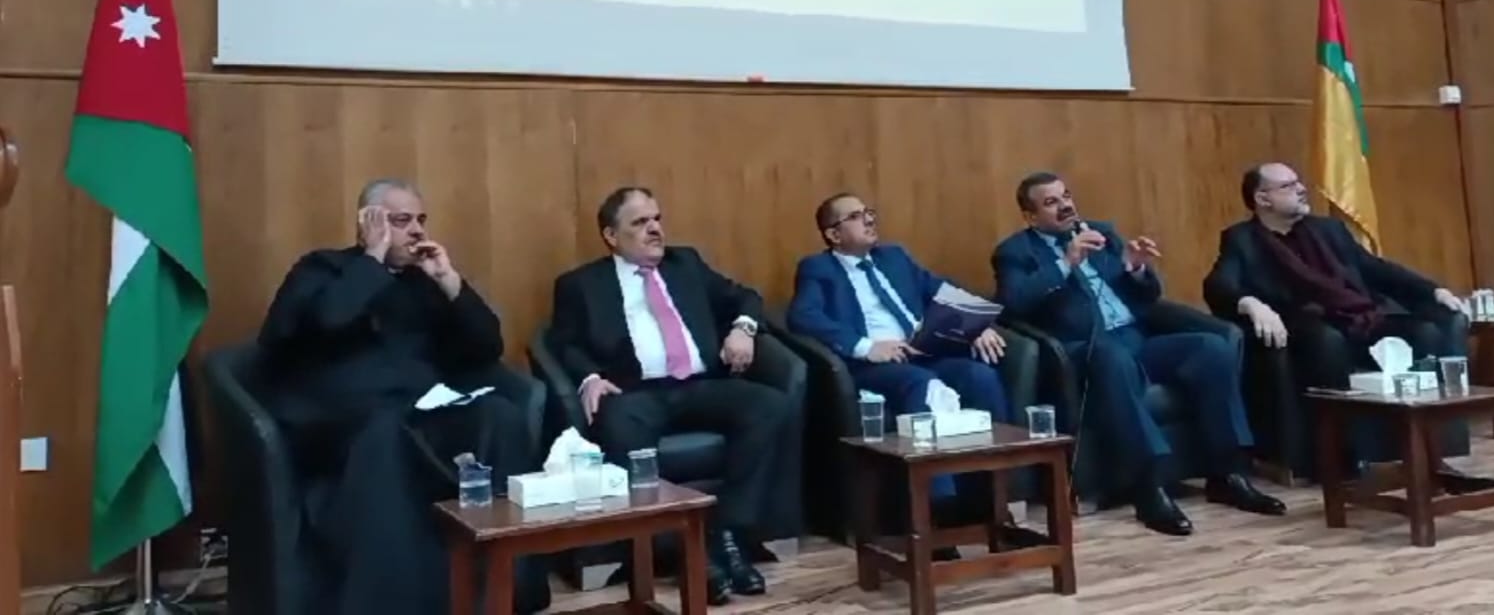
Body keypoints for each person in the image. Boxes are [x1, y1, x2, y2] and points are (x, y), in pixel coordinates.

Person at [256, 179, 548, 615]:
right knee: (385, 435)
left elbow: (486, 347)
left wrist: (450, 281)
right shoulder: (322, 269)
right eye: (401, 220)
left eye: (420, 220)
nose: (417, 231)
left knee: (500, 416)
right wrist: (371, 260)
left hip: (425, 409)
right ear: (367, 223)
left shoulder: (422, 282)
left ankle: (509, 591)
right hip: (346, 418)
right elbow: (327, 319)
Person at [991, 171, 1284, 536]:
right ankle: (1147, 487)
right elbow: (1012, 303)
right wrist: (1066, 263)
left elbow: (1148, 298)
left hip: (1137, 339)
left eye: (1066, 196)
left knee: (1211, 348)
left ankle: (1228, 473)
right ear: (1031, 216)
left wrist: (1136, 269)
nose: (1065, 205)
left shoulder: (1102, 233)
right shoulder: (1015, 252)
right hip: (1085, 351)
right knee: (1112, 358)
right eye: (1051, 202)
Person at [547, 186, 788, 606]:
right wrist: (589, 378)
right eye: (640, 222)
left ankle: (726, 532)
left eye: (656, 219)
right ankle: (683, 552)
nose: (655, 229)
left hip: (701, 384)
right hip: (635, 392)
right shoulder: (580, 284)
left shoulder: (686, 263)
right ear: (611, 236)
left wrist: (743, 329)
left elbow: (744, 296)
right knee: (619, 421)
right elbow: (563, 342)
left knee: (768, 405)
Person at [1202, 162, 1471, 462]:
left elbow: (1375, 269)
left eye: (1299, 182)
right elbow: (1218, 285)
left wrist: (1433, 291)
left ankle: (1430, 449)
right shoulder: (1243, 240)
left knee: (1425, 333)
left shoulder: (1329, 230)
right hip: (1307, 328)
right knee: (1327, 340)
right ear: (1263, 199)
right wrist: (1250, 303)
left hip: (1359, 319)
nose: (1301, 189)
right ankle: (1343, 456)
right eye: (1288, 186)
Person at [787, 193, 1015, 535]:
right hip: (873, 367)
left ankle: (990, 501)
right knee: (920, 385)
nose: (869, 220)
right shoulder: (818, 269)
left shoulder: (894, 257)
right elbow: (803, 317)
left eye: (868, 212)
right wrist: (866, 347)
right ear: (833, 234)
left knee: (979, 377)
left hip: (925, 354)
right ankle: (933, 512)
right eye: (855, 216)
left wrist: (977, 325)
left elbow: (942, 290)